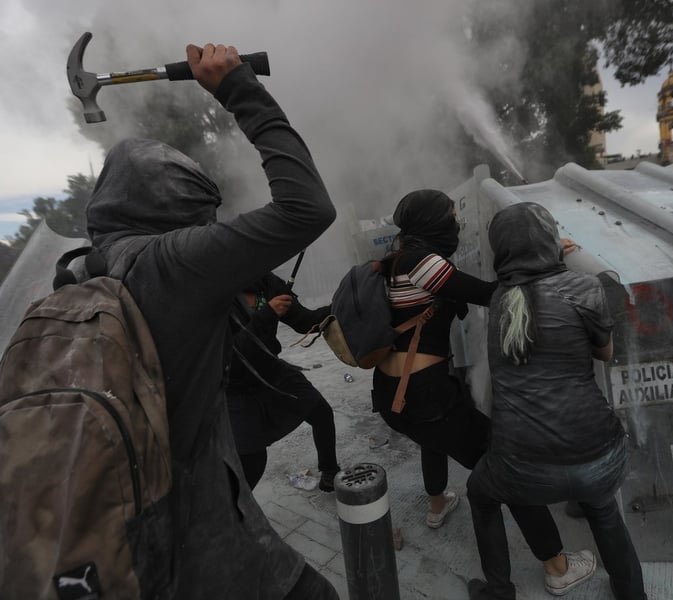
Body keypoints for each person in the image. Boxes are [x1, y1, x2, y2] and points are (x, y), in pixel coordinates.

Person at [84, 44, 338, 598]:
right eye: (204, 217)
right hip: (183, 524)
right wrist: (238, 88)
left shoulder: (77, 271)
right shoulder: (171, 262)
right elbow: (308, 208)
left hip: (107, 520)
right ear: (178, 210)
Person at [466, 202, 647, 600]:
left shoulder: (500, 301)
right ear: (551, 241)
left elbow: (526, 294)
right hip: (599, 456)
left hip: (522, 470)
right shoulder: (587, 287)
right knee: (604, 511)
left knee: (480, 493)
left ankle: (498, 591)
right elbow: (605, 352)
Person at [370, 189, 497, 528]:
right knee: (496, 456)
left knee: (433, 438)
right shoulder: (424, 263)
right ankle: (554, 562)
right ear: (435, 222)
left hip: (389, 392)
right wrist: (541, 261)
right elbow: (488, 294)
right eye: (452, 218)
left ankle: (437, 507)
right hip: (424, 392)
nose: (456, 224)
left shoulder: (396, 260)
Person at [227, 272, 340, 491]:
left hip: (271, 370)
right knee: (252, 461)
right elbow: (232, 353)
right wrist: (267, 314)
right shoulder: (215, 292)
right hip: (234, 385)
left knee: (322, 413)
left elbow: (305, 321)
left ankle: (330, 472)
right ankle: (233, 514)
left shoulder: (268, 283)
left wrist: (340, 306)